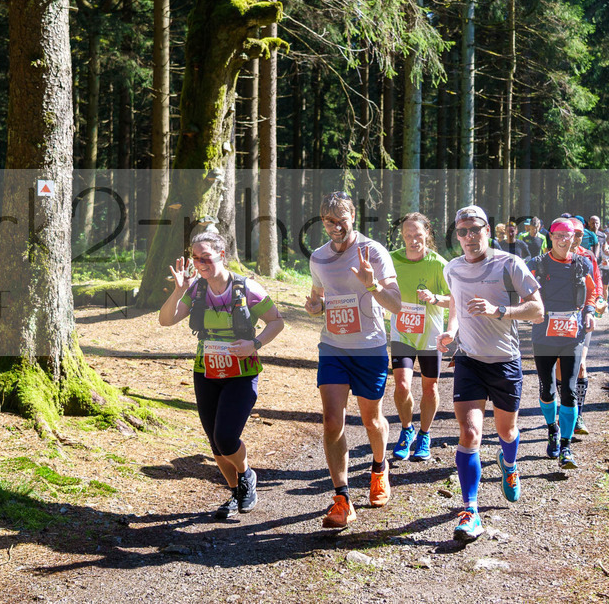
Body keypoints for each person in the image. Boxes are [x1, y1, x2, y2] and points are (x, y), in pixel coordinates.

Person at [159, 231, 285, 520]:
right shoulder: (197, 290)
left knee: (226, 437)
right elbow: (165, 321)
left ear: (222, 256)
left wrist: (254, 344)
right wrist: (179, 290)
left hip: (241, 372)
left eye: (206, 257)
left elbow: (276, 321)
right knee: (215, 442)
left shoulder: (247, 287)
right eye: (195, 257)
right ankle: (236, 492)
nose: (200, 263)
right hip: (206, 371)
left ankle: (246, 473)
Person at [437, 205, 544, 543]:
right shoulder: (452, 268)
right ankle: (470, 510)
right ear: (457, 235)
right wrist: (451, 331)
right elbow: (456, 301)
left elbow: (538, 310)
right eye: (463, 231)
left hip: (505, 362)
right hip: (469, 361)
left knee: (507, 432)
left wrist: (500, 310)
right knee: (469, 434)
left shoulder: (509, 263)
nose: (470, 237)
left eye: (476, 229)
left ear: (488, 230)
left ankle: (509, 466)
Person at [304, 191, 402, 529]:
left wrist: (372, 284)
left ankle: (378, 468)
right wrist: (315, 307)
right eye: (328, 221)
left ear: (353, 217)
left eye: (341, 220)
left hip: (370, 348)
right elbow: (317, 298)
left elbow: (396, 304)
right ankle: (342, 498)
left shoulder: (373, 252)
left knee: (371, 420)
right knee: (332, 421)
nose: (335, 227)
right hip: (333, 347)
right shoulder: (318, 258)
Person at [526, 218, 597, 470]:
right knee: (547, 390)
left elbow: (592, 290)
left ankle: (566, 446)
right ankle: (552, 429)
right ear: (551, 237)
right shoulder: (536, 264)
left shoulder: (583, 263)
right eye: (558, 235)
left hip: (572, 335)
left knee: (568, 389)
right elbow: (519, 288)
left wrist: (589, 310)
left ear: (574, 238)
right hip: (544, 335)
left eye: (568, 236)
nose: (563, 240)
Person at [389, 213, 450, 462]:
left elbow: (453, 299)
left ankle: (425, 434)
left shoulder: (438, 264)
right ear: (402, 237)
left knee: (429, 386)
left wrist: (435, 298)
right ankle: (406, 430)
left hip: (429, 336)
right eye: (408, 236)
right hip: (402, 333)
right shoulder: (392, 261)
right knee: (402, 385)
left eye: (418, 235)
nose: (413, 241)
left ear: (427, 234)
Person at [568, 216, 604, 436]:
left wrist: (597, 304)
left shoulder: (588, 256)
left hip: (581, 319)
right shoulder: (550, 257)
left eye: (581, 234)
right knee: (560, 370)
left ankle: (578, 415)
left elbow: (596, 285)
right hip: (558, 321)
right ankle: (561, 411)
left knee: (580, 364)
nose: (576, 237)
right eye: (573, 232)